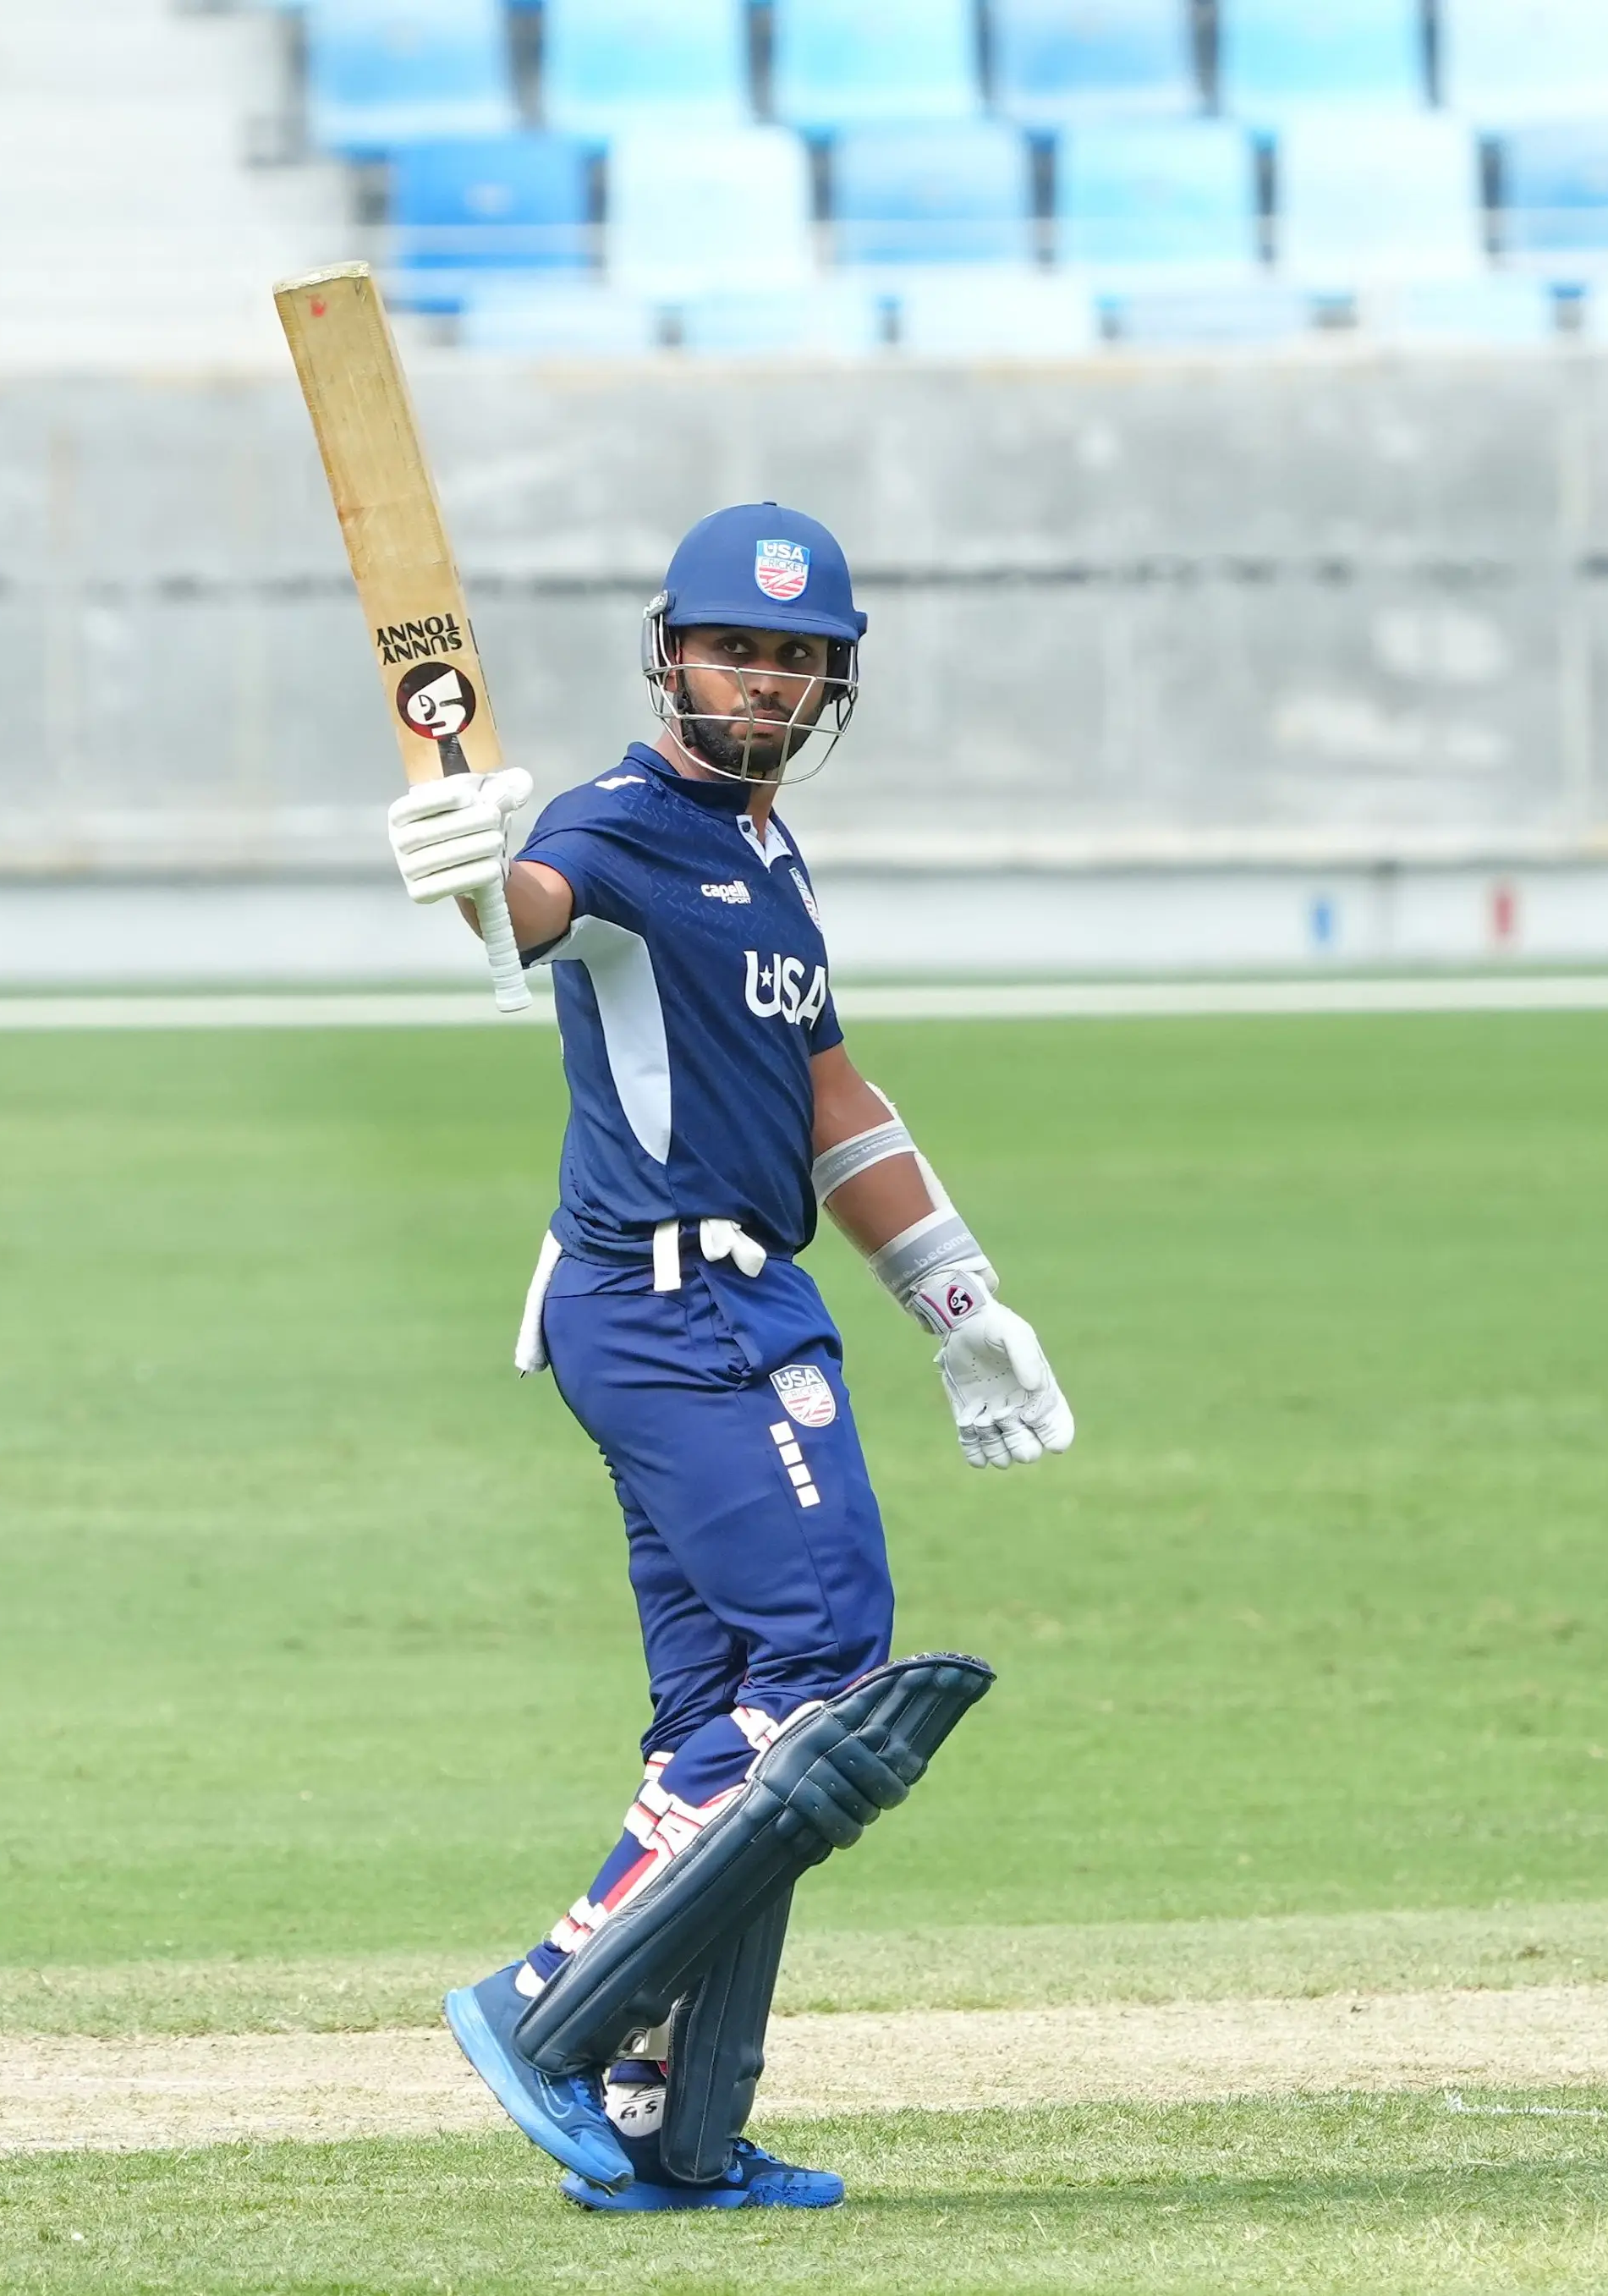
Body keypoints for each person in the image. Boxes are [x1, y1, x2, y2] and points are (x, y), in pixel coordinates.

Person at [382, 503, 1075, 2211]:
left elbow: (830, 1095)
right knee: (826, 1667)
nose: (761, 679)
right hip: (669, 1306)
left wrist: (956, 1296)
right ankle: (550, 1998)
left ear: (829, 685)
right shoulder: (613, 828)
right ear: (669, 655)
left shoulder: (774, 863)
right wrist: (465, 870)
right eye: (733, 648)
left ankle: (669, 2120)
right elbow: (526, 911)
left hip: (732, 1299)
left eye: (793, 658)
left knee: (729, 1721)